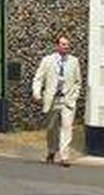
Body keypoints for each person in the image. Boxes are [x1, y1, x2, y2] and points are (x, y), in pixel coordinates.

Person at [32, 34, 81, 167]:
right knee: (52, 128)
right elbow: (38, 78)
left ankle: (64, 156)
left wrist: (74, 96)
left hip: (67, 100)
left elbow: (78, 82)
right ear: (57, 46)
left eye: (68, 45)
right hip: (52, 99)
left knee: (67, 128)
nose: (66, 47)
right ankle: (52, 151)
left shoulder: (74, 61)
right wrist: (37, 93)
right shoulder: (47, 60)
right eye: (63, 44)